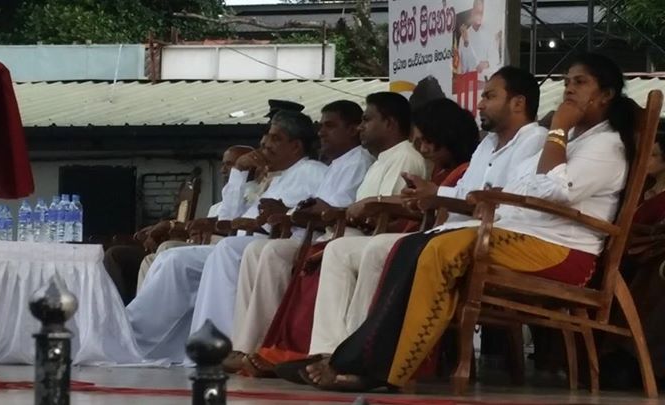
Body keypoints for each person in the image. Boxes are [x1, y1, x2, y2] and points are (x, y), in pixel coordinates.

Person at [303, 52, 637, 391]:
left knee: (439, 249)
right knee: (414, 244)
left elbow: (552, 191)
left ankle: (385, 368)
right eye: (566, 82)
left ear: (606, 95)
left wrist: (558, 129)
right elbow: (525, 187)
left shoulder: (606, 145)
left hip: (563, 251)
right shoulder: (568, 141)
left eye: (580, 82)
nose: (569, 90)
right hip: (524, 234)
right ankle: (359, 357)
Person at [303, 66, 547, 363]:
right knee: (339, 250)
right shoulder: (488, 145)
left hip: (489, 240)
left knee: (379, 249)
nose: (480, 103)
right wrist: (433, 192)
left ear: (518, 103)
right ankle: (329, 351)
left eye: (489, 96)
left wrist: (436, 197)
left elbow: (503, 205)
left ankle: (360, 358)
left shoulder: (536, 141)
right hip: (450, 233)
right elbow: (464, 194)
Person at [125, 110, 327, 364]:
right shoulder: (276, 177)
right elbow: (228, 217)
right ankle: (132, 336)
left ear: (296, 146)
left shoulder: (313, 171)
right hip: (243, 241)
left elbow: (313, 215)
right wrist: (238, 172)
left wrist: (282, 215)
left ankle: (218, 346)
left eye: (275, 138)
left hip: (277, 244)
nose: (265, 143)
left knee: (226, 249)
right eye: (266, 137)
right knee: (173, 259)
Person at [187, 100, 378, 357]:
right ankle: (244, 344)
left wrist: (285, 214)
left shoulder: (338, 165)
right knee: (245, 250)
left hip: (319, 235)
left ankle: (258, 345)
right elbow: (234, 216)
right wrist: (281, 210)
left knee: (253, 250)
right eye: (320, 126)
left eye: (329, 126)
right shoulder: (335, 164)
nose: (321, 132)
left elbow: (331, 210)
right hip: (298, 233)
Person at [102, 145, 254, 304]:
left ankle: (146, 310)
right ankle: (141, 309)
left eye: (230, 165)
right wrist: (188, 231)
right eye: (224, 165)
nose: (223, 170)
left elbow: (228, 224)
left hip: (229, 251)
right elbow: (201, 228)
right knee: (149, 259)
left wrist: (171, 226)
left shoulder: (252, 196)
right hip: (205, 246)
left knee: (166, 250)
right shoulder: (218, 205)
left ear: (251, 166)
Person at [601, 124, 665, 390]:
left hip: (640, 259)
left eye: (653, 155)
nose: (646, 160)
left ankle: (634, 358)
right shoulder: (640, 189)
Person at [458, 0, 501, 81]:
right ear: (472, 12)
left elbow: (496, 58)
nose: (479, 15)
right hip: (470, 82)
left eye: (481, 12)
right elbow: (464, 64)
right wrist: (466, 42)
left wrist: (487, 63)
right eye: (477, 12)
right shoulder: (464, 36)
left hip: (487, 80)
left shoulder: (489, 33)